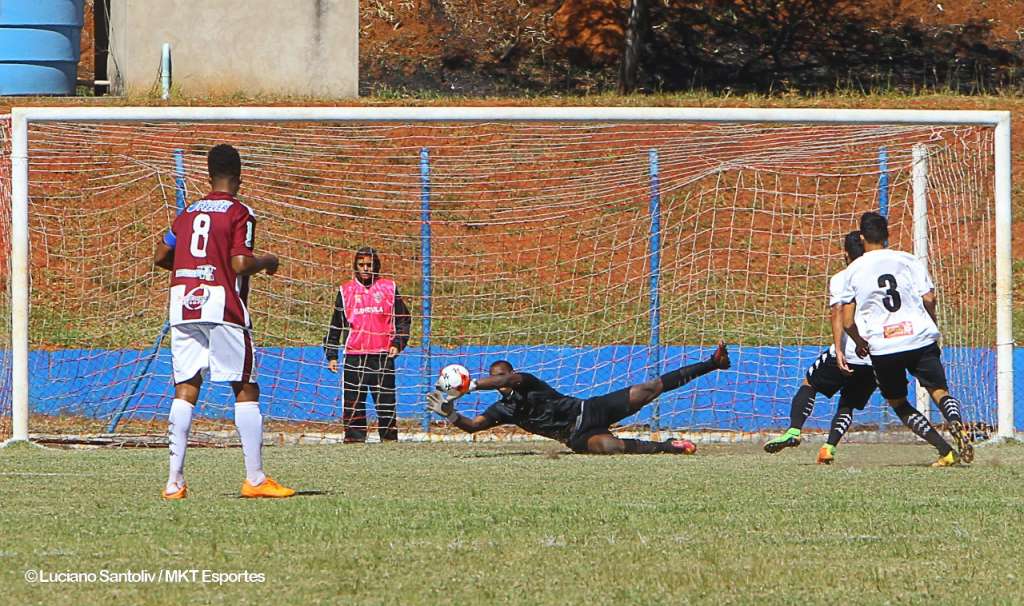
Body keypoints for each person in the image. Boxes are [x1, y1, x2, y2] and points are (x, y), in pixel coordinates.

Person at [153, 144, 295, 499]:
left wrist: (192, 271)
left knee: (186, 386)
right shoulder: (239, 212)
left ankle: (174, 484)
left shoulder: (188, 212)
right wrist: (268, 260)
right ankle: (256, 480)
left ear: (207, 174)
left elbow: (160, 255)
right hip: (223, 307)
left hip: (183, 305)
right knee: (245, 385)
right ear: (240, 175)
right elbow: (239, 264)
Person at [839, 211, 973, 466]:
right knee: (939, 391)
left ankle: (944, 451)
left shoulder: (853, 270)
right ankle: (955, 421)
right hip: (920, 338)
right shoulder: (909, 259)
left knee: (898, 402)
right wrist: (931, 324)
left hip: (884, 344)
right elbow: (929, 299)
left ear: (862, 237)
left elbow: (847, 321)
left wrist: (859, 341)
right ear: (887, 235)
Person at [425, 343, 731, 454]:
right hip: (576, 437)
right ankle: (669, 447)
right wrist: (449, 412)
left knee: (649, 389)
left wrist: (471, 384)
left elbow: (505, 379)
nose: (502, 384)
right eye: (497, 378)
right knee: (610, 447)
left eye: (502, 377)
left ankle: (711, 363)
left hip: (590, 409)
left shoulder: (527, 381)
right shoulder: (503, 409)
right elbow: (474, 426)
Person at [763, 231, 876, 465]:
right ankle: (829, 447)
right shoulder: (878, 277)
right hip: (876, 355)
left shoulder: (841, 278)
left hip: (847, 350)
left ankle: (794, 430)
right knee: (848, 403)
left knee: (810, 383)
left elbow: (838, 315)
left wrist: (839, 350)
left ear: (846, 255)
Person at [324, 247, 411, 442]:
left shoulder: (388, 288)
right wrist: (331, 354)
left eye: (369, 265)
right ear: (355, 267)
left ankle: (389, 439)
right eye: (361, 265)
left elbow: (404, 319)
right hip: (354, 355)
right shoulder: (345, 291)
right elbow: (336, 325)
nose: (365, 269)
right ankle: (354, 440)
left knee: (386, 403)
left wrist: (398, 343)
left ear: (376, 266)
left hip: (382, 355)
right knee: (354, 403)